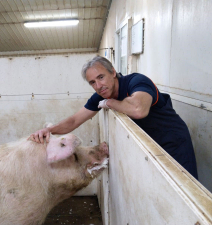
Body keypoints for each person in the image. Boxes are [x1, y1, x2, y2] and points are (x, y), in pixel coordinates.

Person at [29, 56, 198, 179]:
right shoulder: (100, 95)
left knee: (186, 191)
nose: (98, 85)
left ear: (113, 72)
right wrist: (48, 130)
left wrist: (110, 103)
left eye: (101, 77)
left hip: (174, 142)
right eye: (92, 82)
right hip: (150, 147)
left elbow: (138, 109)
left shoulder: (138, 82)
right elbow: (74, 121)